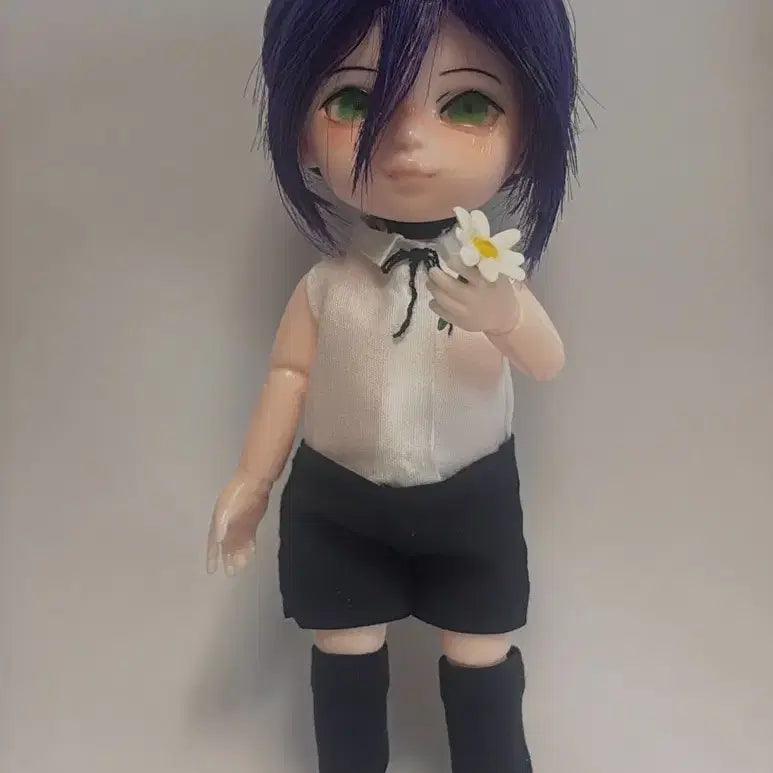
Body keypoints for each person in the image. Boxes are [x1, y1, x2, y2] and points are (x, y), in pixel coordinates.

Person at [207, 2, 578, 771]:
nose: (407, 140)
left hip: (471, 497)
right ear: (299, 129)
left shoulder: (490, 277)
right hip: (340, 500)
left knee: (481, 654)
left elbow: (546, 362)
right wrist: (252, 478)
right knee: (343, 652)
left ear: (528, 134)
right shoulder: (326, 287)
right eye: (353, 100)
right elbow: (288, 374)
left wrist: (505, 315)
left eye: (467, 104)